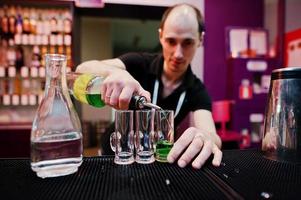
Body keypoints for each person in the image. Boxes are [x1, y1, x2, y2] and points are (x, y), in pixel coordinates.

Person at [76, 3, 222, 169]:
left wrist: (206, 138)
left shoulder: (196, 89)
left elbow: (211, 134)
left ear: (200, 40)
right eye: (171, 41)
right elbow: (81, 69)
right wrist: (113, 73)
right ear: (161, 36)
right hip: (115, 154)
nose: (178, 53)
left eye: (187, 42)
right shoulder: (139, 63)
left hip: (153, 160)